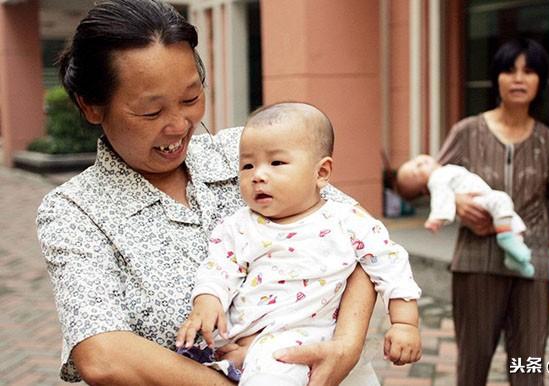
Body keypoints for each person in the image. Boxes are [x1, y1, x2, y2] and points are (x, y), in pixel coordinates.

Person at [36, 1, 379, 384]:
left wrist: (345, 347)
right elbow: (102, 356)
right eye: (151, 112)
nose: (179, 125)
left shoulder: (248, 155)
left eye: (190, 99)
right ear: (91, 107)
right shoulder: (75, 211)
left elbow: (362, 239)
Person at [176, 102, 423, 385]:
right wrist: (207, 300)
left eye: (277, 163)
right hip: (267, 348)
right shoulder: (239, 226)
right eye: (247, 165)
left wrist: (405, 323)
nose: (258, 175)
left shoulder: (347, 220)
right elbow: (218, 268)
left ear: (321, 173)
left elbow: (390, 263)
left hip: (325, 338)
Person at [436, 37, 549, 385]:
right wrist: (455, 203)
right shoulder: (467, 131)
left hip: (534, 264)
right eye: (509, 70)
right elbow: (434, 179)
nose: (518, 79)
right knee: (472, 366)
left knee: (528, 367)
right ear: (496, 78)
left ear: (540, 81)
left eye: (529, 71)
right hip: (475, 262)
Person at [396, 154, 534, 277]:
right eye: (416, 172)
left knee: (513, 219)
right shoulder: (436, 179)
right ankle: (506, 238)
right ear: (424, 190)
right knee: (502, 199)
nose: (420, 163)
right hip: (477, 200)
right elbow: (441, 199)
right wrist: (436, 218)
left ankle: (514, 258)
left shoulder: (444, 170)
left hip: (484, 197)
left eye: (414, 161)